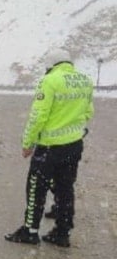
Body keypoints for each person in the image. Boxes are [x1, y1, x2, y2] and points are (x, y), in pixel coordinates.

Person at [5, 48, 94, 247]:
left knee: (36, 188)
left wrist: (27, 143)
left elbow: (38, 117)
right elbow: (88, 112)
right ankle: (62, 232)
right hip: (74, 146)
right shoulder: (85, 80)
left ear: (50, 65)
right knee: (64, 188)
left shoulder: (50, 81)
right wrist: (73, 129)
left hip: (49, 149)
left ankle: (30, 231)